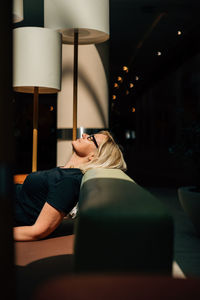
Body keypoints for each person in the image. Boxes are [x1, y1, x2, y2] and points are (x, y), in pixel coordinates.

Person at [13, 131, 127, 241]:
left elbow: (39, 231)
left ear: (94, 156)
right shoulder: (66, 172)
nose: (84, 134)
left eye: (91, 138)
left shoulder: (69, 180)